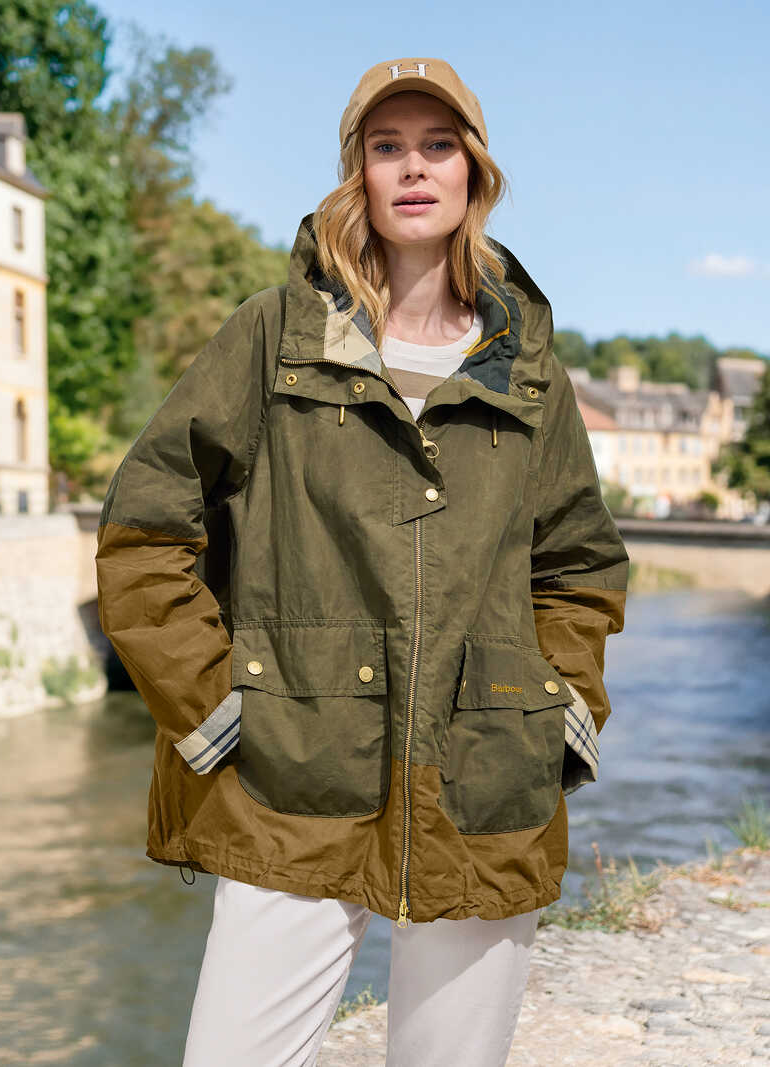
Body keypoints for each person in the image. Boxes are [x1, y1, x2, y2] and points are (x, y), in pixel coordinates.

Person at [96, 57, 629, 1067]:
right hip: (289, 767)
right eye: (388, 147)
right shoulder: (274, 334)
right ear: (359, 174)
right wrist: (209, 704)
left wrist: (559, 706)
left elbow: (578, 563)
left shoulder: (528, 369)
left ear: (473, 172)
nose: (413, 168)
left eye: (438, 146)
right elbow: (146, 527)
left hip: (486, 779)